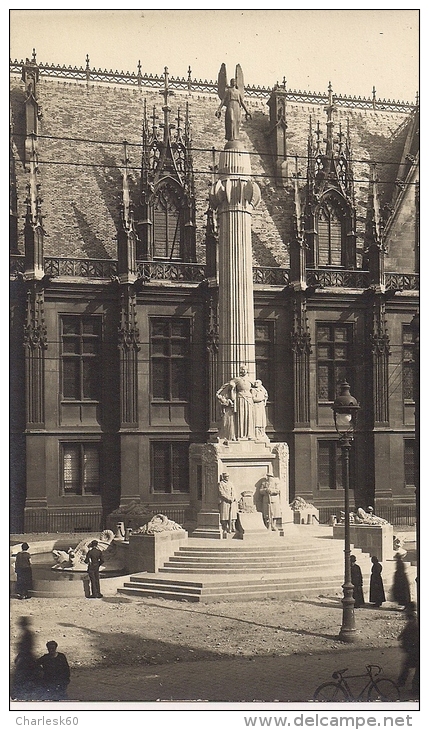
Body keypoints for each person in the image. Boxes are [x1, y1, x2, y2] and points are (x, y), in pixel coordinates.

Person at [11, 616, 41, 700]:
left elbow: (26, 648)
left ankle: (19, 695)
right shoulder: (27, 633)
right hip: (26, 657)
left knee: (22, 676)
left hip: (26, 658)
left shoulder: (27, 634)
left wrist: (20, 655)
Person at [397, 601, 419, 697]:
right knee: (408, 666)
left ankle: (415, 689)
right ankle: (402, 682)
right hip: (412, 649)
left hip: (414, 649)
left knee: (411, 668)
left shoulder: (415, 622)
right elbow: (407, 628)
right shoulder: (413, 621)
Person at [230, 365, 255, 440]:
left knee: (249, 416)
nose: (244, 371)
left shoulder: (250, 379)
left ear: (247, 371)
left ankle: (249, 434)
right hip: (240, 398)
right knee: (241, 415)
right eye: (242, 369)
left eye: (245, 370)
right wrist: (232, 385)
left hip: (249, 398)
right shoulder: (237, 379)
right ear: (240, 370)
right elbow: (231, 383)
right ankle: (240, 435)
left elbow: (257, 385)